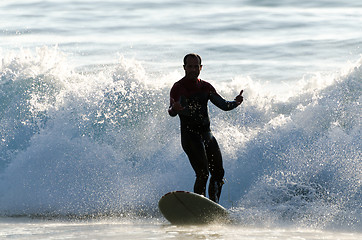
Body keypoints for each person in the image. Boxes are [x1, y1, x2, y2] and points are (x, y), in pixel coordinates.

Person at [168, 53, 243, 203]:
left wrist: (236, 103)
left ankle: (213, 206)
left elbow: (223, 105)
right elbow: (171, 112)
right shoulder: (178, 88)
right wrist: (175, 109)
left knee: (218, 172)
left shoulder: (205, 87)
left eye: (196, 66)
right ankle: (198, 206)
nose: (193, 69)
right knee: (202, 173)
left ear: (201, 68)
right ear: (184, 67)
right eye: (190, 66)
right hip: (190, 137)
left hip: (206, 135)